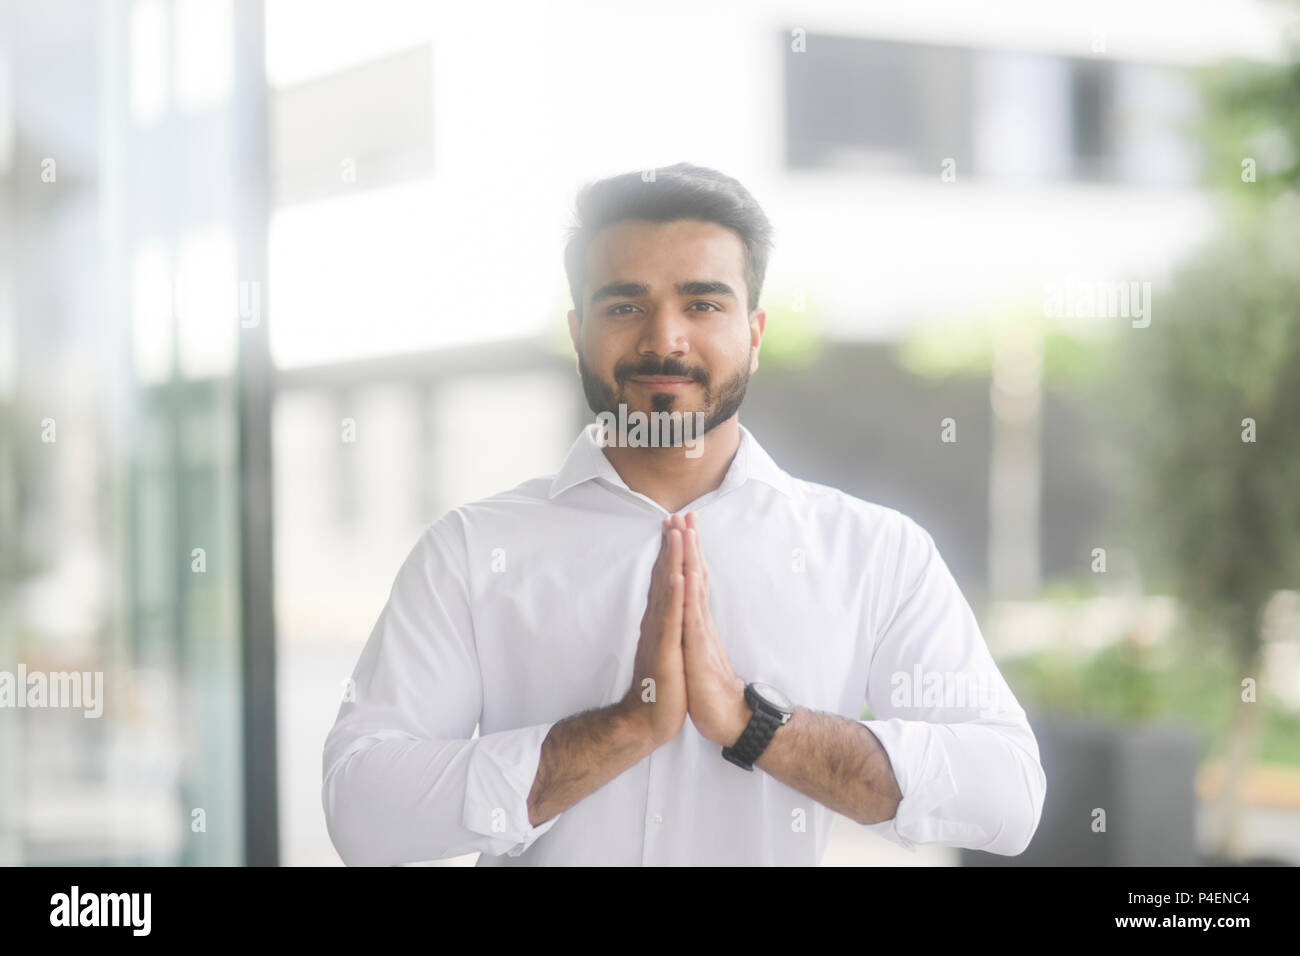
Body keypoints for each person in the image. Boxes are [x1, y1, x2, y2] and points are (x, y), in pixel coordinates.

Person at [322, 162, 1046, 865]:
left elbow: (1008, 796)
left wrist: (755, 725)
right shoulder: (471, 550)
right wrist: (624, 729)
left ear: (754, 334)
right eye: (625, 305)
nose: (665, 338)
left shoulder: (875, 551)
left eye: (703, 303)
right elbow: (363, 813)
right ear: (578, 331)